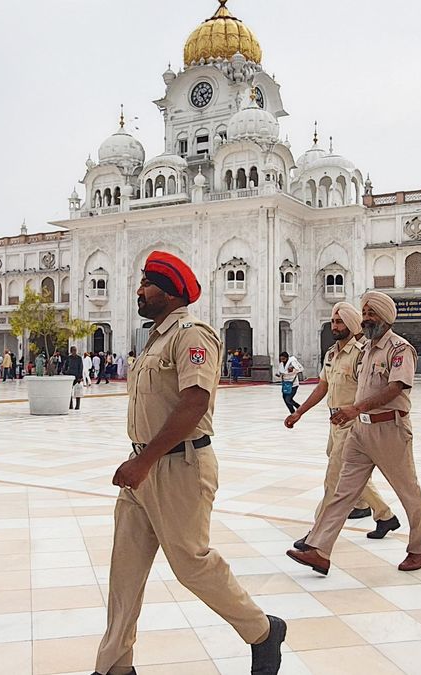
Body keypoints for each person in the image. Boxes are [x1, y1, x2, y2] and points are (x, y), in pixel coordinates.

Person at [93, 251, 286, 675]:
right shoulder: (156, 339)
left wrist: (144, 461)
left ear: (169, 290)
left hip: (179, 467)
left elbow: (195, 402)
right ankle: (114, 666)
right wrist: (140, 461)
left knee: (190, 564)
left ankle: (262, 630)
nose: (138, 290)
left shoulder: (191, 335)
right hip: (143, 465)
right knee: (124, 573)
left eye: (146, 283)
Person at [286, 291, 421, 576]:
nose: (366, 319)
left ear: (386, 317)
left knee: (408, 492)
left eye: (371, 314)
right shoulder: (364, 350)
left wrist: (355, 408)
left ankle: (419, 549)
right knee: (342, 491)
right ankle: (320, 549)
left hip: (389, 429)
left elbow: (395, 388)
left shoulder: (400, 349)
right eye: (364, 314)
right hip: (359, 430)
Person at [285, 302, 399, 546]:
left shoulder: (362, 353)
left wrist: (358, 412)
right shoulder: (331, 353)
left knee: (334, 478)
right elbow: (323, 386)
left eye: (340, 322)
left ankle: (316, 537)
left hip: (354, 423)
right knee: (351, 474)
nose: (335, 326)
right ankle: (384, 515)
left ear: (352, 324)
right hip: (335, 422)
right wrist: (299, 413)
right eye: (333, 322)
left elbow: (372, 389)